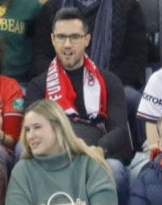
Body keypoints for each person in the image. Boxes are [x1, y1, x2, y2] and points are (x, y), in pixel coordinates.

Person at [21, 10, 135, 169]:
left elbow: (119, 130)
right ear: (53, 39)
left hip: (98, 153)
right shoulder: (39, 85)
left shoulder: (109, 81)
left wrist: (99, 149)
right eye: (61, 37)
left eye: (74, 37)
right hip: (55, 153)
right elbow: (31, 130)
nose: (67, 44)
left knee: (114, 169)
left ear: (86, 40)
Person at [29, 0, 151, 94]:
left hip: (112, 88)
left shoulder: (128, 7)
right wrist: (71, 82)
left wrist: (101, 83)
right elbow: (40, 60)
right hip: (61, 89)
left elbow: (136, 59)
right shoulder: (50, 10)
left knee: (130, 97)